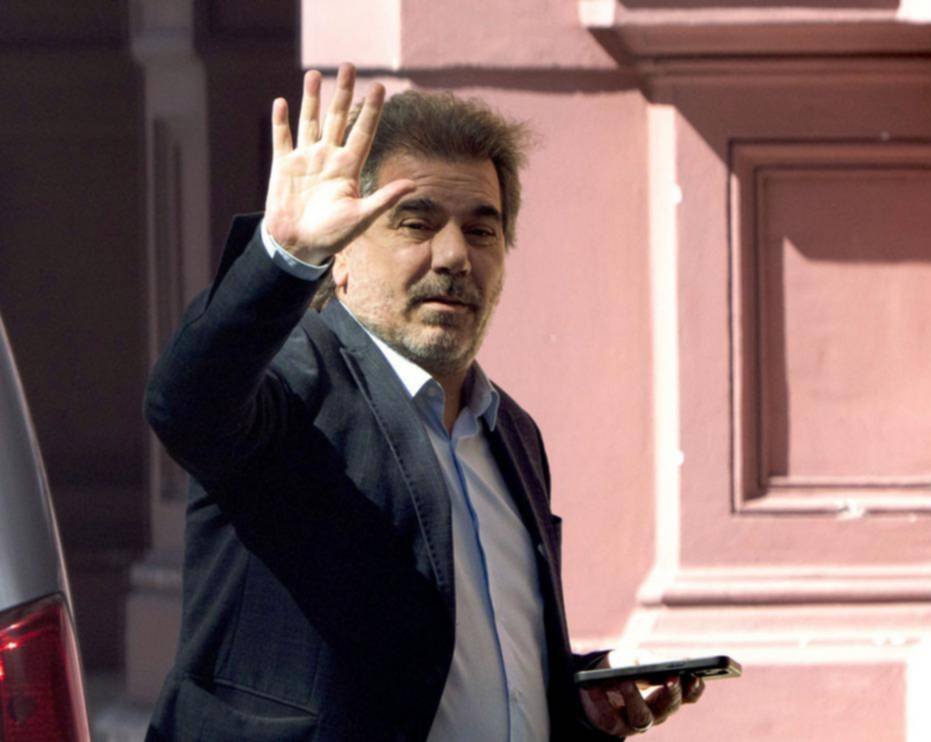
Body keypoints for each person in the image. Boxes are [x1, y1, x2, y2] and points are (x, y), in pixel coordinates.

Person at [143, 64, 704, 741]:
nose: (454, 256)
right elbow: (186, 405)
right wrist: (283, 257)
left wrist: (573, 703)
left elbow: (465, 667)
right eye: (416, 223)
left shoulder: (511, 432)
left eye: (481, 231)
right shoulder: (290, 384)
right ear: (341, 255)